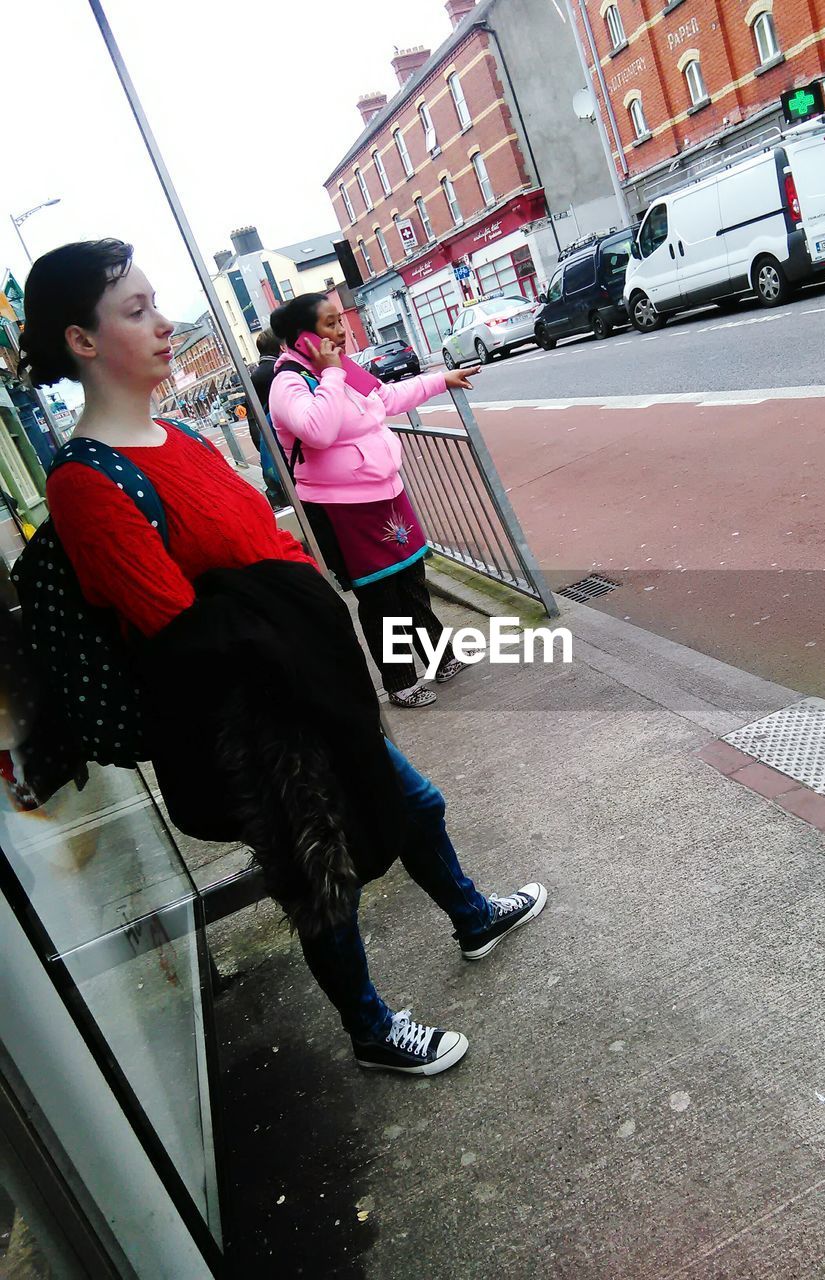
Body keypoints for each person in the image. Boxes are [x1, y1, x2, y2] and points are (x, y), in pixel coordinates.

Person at [19, 239, 547, 1077]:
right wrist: (287, 612)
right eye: (137, 311)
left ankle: (472, 915)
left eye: (158, 304)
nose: (163, 325)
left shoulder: (180, 434)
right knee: (321, 881)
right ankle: (372, 1031)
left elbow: (262, 545)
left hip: (312, 687)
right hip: (265, 723)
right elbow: (178, 637)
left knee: (414, 806)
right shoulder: (88, 484)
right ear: (83, 342)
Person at [268, 293, 478, 708]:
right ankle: (400, 681)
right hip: (344, 509)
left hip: (387, 493)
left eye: (339, 322)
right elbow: (318, 431)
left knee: (412, 581)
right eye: (329, 325)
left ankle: (440, 656)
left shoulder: (344, 369)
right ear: (302, 337)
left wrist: (439, 381)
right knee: (381, 597)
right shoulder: (288, 382)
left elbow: (385, 399)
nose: (341, 333)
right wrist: (329, 374)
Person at [245, 328, 287, 511]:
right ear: (279, 346)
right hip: (281, 438)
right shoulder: (278, 371)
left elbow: (252, 414)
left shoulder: (255, 375)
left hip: (266, 437)